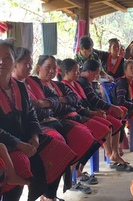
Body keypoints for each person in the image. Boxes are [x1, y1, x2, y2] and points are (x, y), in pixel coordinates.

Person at [0, 40, 77, 201]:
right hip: (6, 142)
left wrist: (34, 137)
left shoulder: (19, 87)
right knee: (21, 164)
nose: (1, 62)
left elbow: (31, 116)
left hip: (24, 137)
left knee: (58, 149)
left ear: (13, 61)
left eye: (7, 57)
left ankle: (48, 195)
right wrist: (19, 144)